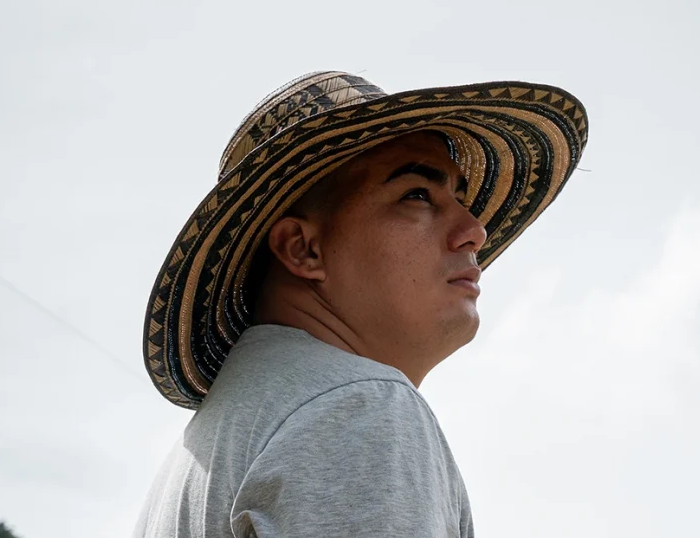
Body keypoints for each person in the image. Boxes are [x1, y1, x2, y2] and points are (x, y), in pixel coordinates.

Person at [134, 71, 589, 537]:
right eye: (417, 195)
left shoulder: (210, 449)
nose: (474, 230)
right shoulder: (359, 405)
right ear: (302, 249)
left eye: (460, 197)